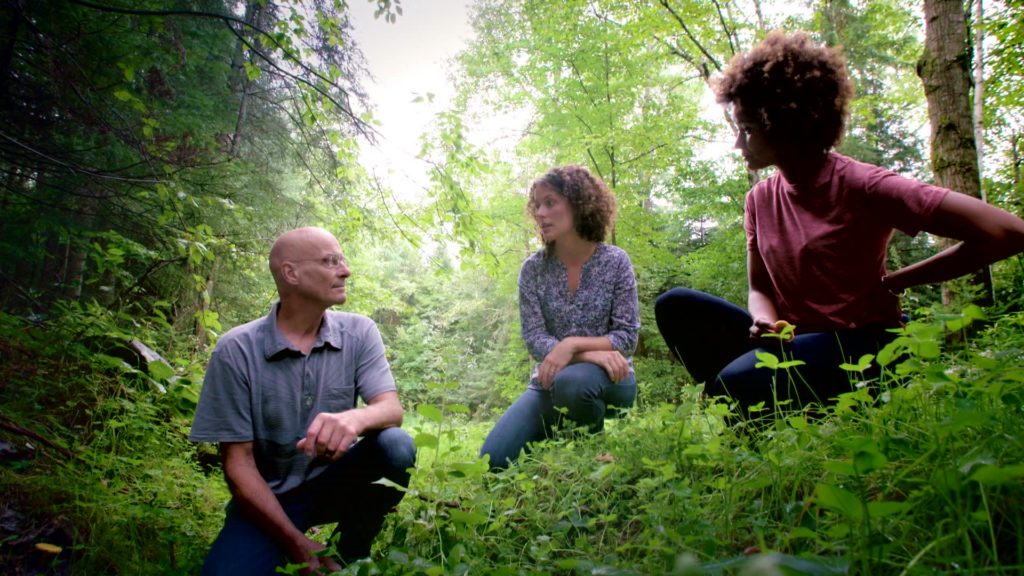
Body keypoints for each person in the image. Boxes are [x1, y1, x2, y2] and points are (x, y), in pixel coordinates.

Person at [655, 31, 1024, 414]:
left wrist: (900, 280)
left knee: (733, 384)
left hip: (863, 341)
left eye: (747, 130)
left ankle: (765, 399)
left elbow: (1007, 233)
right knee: (676, 306)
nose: (738, 144)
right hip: (793, 340)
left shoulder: (865, 185)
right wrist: (764, 320)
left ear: (784, 124)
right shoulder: (759, 200)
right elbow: (759, 287)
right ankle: (758, 405)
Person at [190, 227, 416, 575]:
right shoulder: (236, 350)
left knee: (396, 446)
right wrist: (295, 543)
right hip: (268, 499)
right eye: (330, 261)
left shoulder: (359, 332)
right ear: (290, 273)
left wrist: (353, 420)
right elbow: (238, 465)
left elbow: (391, 410)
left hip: (336, 484)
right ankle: (289, 542)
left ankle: (347, 553)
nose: (345, 270)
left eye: (342, 260)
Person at [480, 165, 641, 470]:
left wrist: (570, 345)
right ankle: (557, 431)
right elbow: (535, 337)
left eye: (550, 202)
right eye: (537, 205)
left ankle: (592, 456)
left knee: (574, 383)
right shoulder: (533, 269)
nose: (540, 213)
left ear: (580, 205)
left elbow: (627, 338)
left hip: (614, 379)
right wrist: (588, 352)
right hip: (547, 382)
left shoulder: (616, 262)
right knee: (493, 462)